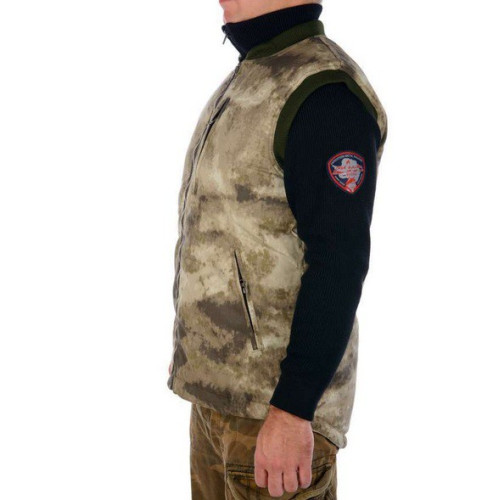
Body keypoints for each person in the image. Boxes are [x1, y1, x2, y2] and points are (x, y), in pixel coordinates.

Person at [167, 0, 388, 497]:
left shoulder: (322, 92)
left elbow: (339, 260)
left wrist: (292, 409)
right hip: (219, 401)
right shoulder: (254, 74)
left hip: (274, 414)